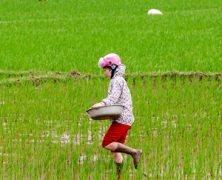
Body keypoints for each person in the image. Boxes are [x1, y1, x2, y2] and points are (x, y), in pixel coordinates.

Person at [92, 53, 142, 178]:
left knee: (107, 143)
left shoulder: (117, 81)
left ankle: (134, 152)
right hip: (125, 118)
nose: (105, 72)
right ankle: (119, 176)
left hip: (122, 118)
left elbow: (113, 98)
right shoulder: (118, 80)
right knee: (115, 150)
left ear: (113, 68)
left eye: (106, 69)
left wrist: (101, 104)